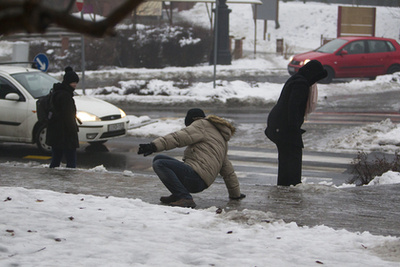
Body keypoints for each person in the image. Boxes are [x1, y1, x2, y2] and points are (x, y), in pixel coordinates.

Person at [138, 108, 246, 208]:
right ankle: (177, 194)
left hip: (196, 178)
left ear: (192, 119)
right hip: (201, 182)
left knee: (160, 164)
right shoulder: (219, 138)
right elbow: (228, 171)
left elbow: (178, 137)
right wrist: (235, 194)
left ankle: (184, 197)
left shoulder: (200, 125)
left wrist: (153, 146)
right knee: (159, 158)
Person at [265, 60, 327, 186]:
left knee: (286, 159)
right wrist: (294, 129)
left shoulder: (296, 79)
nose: (315, 82)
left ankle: (284, 187)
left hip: (278, 125)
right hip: (284, 127)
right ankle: (291, 188)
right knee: (293, 157)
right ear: (313, 74)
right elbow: (293, 107)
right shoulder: (301, 84)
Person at [46, 67, 80, 168]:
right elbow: (68, 116)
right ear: (67, 82)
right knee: (71, 161)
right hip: (65, 134)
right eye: (73, 82)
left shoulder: (57, 92)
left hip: (56, 131)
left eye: (76, 82)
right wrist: (74, 130)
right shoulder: (66, 96)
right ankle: (68, 181)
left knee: (56, 159)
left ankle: (53, 178)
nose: (75, 84)